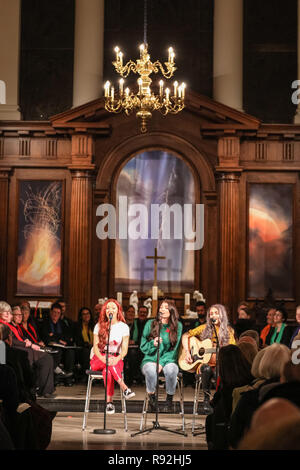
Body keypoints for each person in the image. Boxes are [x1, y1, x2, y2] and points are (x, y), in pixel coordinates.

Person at [181, 304, 236, 413]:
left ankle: (219, 400)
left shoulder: (229, 331)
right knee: (206, 369)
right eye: (211, 314)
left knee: (219, 373)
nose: (213, 316)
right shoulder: (204, 328)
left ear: (222, 315)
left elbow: (233, 350)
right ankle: (206, 400)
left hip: (220, 365)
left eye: (216, 313)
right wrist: (187, 352)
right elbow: (186, 336)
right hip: (204, 364)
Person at [0, 303, 56, 398]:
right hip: (12, 351)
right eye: (7, 313)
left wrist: (27, 341)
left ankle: (45, 389)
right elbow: (10, 342)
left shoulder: (10, 325)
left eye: (10, 313)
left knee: (46, 358)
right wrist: (27, 344)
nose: (11, 315)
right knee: (27, 355)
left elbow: (18, 337)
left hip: (17, 348)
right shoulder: (3, 326)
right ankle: (31, 389)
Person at [90, 299, 135, 415]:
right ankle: (124, 387)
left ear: (118, 311)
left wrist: (117, 358)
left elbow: (124, 350)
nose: (110, 310)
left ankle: (109, 403)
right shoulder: (98, 326)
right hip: (98, 358)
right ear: (104, 311)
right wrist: (103, 358)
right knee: (108, 364)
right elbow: (95, 348)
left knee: (108, 371)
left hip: (116, 358)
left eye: (113, 308)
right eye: (108, 308)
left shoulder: (124, 327)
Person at [205, 344, 253, 450]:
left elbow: (220, 406)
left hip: (230, 427)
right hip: (245, 423)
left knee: (211, 420)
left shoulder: (229, 385)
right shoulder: (250, 377)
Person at [140, 299, 183, 412]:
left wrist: (162, 363)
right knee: (150, 370)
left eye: (165, 307)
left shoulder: (178, 326)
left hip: (169, 359)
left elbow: (175, 349)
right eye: (161, 307)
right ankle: (152, 398)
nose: (162, 309)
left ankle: (169, 399)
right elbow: (142, 346)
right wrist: (152, 344)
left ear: (172, 310)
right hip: (150, 358)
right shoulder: (150, 324)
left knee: (171, 370)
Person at [40, 302, 75, 382]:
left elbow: (67, 338)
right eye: (54, 312)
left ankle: (68, 377)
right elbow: (46, 336)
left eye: (58, 313)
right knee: (57, 352)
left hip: (62, 346)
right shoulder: (45, 322)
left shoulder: (62, 323)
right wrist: (59, 339)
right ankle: (57, 375)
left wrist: (54, 336)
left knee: (70, 352)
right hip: (50, 345)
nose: (56, 315)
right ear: (51, 312)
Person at [74, 307, 94, 381]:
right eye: (84, 314)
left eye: (87, 313)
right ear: (81, 316)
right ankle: (86, 375)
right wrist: (87, 343)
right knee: (86, 352)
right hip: (82, 348)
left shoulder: (94, 325)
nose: (86, 316)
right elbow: (77, 340)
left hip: (94, 347)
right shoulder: (77, 326)